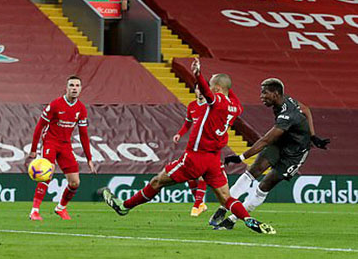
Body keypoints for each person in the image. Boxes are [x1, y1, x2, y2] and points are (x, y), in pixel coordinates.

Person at [102, 58, 276, 234]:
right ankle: (247, 218)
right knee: (225, 198)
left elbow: (208, 94)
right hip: (215, 159)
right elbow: (227, 90)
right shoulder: (236, 107)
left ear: (216, 89)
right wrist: (220, 83)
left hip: (196, 156)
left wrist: (198, 75)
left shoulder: (216, 101)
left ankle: (124, 206)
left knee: (157, 181)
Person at [210, 78, 330, 230]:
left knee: (265, 184)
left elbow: (265, 140)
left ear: (275, 94)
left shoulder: (287, 115)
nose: (261, 96)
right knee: (253, 171)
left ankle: (232, 220)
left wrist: (240, 157)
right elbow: (306, 109)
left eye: (265, 93)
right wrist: (313, 135)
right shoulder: (285, 100)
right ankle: (224, 207)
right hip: (281, 143)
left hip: (294, 154)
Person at [28, 75, 96, 221]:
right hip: (50, 143)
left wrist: (89, 158)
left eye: (77, 86)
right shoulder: (55, 104)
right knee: (47, 173)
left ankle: (61, 208)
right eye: (71, 85)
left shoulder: (81, 109)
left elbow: (83, 135)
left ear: (81, 89)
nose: (74, 88)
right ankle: (34, 211)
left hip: (65, 145)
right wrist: (34, 149)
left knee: (75, 182)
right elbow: (39, 126)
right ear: (66, 88)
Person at [173, 85, 208, 217]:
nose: (200, 92)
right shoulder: (192, 106)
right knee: (190, 175)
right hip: (194, 145)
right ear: (195, 91)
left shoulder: (211, 106)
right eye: (198, 89)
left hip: (208, 145)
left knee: (202, 173)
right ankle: (200, 204)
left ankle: (197, 204)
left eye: (203, 89)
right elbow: (187, 123)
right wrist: (179, 134)